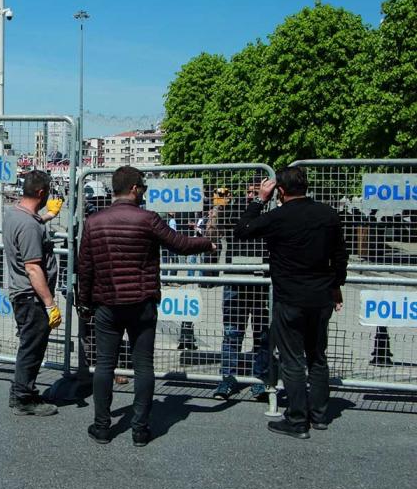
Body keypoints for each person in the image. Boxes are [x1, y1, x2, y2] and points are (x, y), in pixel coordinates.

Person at [78, 167, 215, 446]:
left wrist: (84, 302)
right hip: (142, 303)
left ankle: (102, 426)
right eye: (143, 188)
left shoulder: (94, 222)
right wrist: (208, 243)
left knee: (105, 365)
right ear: (134, 188)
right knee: (143, 366)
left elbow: (85, 267)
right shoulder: (148, 219)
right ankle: (140, 430)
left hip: (107, 303)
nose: (145, 193)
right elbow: (181, 244)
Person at [235, 167, 347, 439]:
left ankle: (297, 419)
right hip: (321, 297)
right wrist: (336, 286)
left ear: (280, 191)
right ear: (306, 187)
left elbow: (242, 230)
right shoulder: (328, 214)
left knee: (292, 359)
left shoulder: (278, 216)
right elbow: (340, 254)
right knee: (318, 356)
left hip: (290, 298)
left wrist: (260, 199)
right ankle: (319, 415)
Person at [2, 170, 64, 416]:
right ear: (41, 193)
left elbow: (29, 227)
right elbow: (32, 267)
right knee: (32, 347)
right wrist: (49, 303)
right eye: (48, 192)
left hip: (23, 294)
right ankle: (23, 398)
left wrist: (48, 216)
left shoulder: (15, 214)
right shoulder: (28, 224)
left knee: (29, 344)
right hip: (32, 296)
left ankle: (21, 389)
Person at [212, 183, 272, 401]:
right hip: (235, 280)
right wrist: (217, 208)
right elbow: (214, 232)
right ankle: (227, 380)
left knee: (262, 334)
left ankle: (259, 381)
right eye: (249, 191)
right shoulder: (233, 208)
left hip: (262, 281)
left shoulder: (271, 212)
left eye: (256, 192)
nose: (251, 195)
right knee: (232, 333)